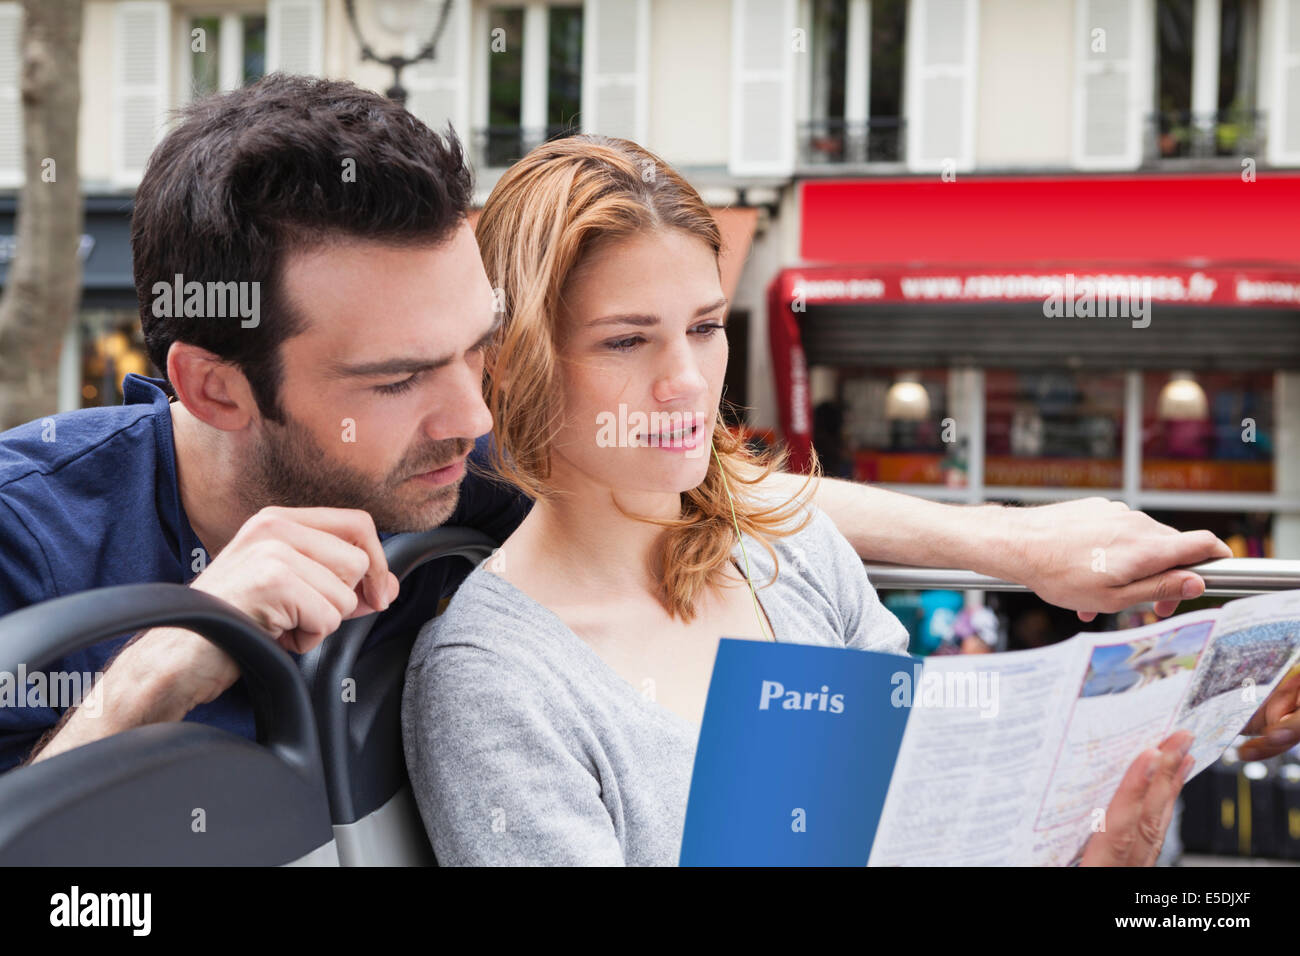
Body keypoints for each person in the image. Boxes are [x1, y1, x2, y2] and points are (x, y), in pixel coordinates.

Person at [0, 74, 1283, 780]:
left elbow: (687, 469)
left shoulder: (448, 466)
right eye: (397, 375)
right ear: (212, 385)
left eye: (480, 348)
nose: (473, 410)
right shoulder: (29, 535)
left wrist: (1021, 550)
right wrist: (167, 665)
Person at [400, 134, 1199, 866]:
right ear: (509, 365)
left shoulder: (796, 556)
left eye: (705, 327)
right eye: (625, 339)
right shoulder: (492, 679)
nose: (685, 382)